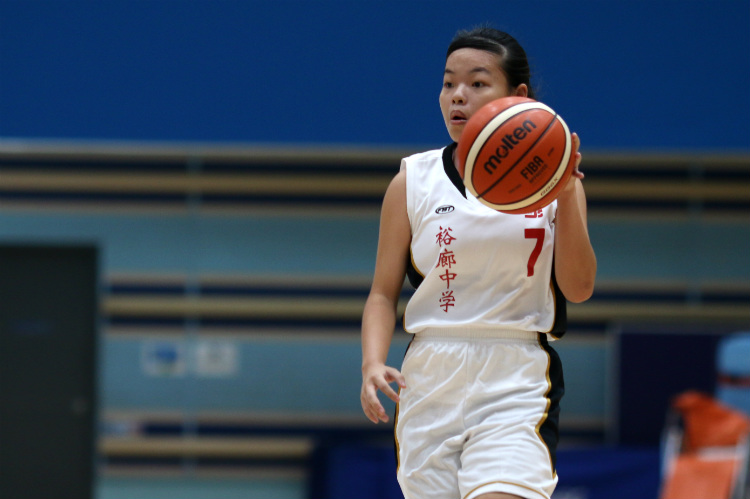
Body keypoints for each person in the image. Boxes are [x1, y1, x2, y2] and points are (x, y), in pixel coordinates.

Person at [360, 26, 597, 499]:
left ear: (518, 95)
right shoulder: (412, 180)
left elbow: (578, 287)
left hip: (517, 372)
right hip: (430, 372)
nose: (458, 97)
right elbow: (383, 293)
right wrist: (371, 362)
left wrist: (567, 192)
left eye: (477, 83)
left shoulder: (557, 183)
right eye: (449, 83)